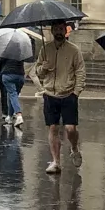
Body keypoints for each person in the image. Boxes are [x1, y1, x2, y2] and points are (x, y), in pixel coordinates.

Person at [34, 22, 86, 173]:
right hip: (50, 93)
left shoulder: (73, 50)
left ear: (65, 31)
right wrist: (43, 67)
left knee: (70, 129)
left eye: (61, 29)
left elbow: (80, 71)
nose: (58, 32)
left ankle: (74, 147)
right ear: (52, 31)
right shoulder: (45, 49)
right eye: (56, 29)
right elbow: (38, 72)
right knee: (53, 128)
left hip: (68, 93)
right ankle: (56, 162)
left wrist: (77, 91)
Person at [0, 53, 26, 129]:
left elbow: (0, 59)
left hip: (8, 74)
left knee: (12, 94)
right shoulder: (22, 50)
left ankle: (18, 115)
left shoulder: (6, 50)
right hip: (20, 75)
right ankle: (10, 117)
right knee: (13, 95)